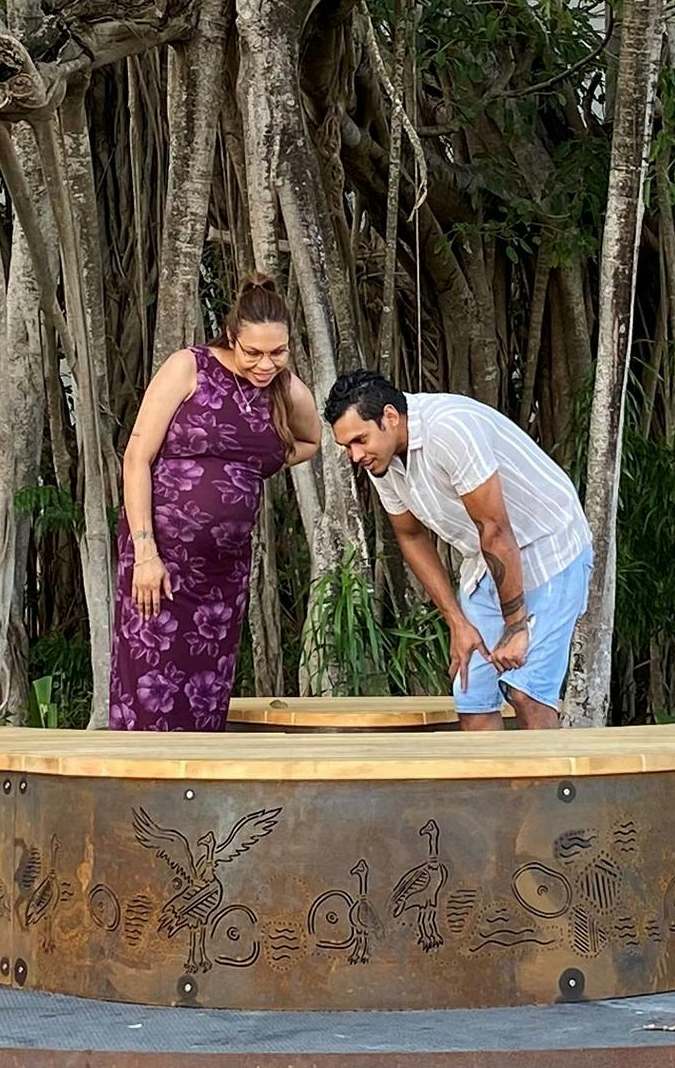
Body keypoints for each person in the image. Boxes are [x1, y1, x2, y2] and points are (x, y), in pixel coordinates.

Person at [107, 273, 320, 730]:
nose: (266, 364)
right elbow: (137, 457)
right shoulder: (189, 368)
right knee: (152, 684)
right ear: (231, 337)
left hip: (224, 575)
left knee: (207, 688)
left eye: (278, 352)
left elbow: (312, 440)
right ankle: (142, 795)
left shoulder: (285, 389)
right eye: (254, 352)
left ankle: (194, 796)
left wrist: (246, 469)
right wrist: (145, 552)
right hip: (159, 561)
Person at [323, 370, 592, 729]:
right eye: (347, 447)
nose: (355, 455)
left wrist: (515, 627)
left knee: (527, 692)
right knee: (472, 699)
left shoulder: (450, 429)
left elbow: (494, 528)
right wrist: (457, 621)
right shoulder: (381, 460)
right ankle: (492, 787)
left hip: (551, 547)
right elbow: (411, 537)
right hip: (486, 561)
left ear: (389, 416)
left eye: (360, 440)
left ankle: (551, 785)